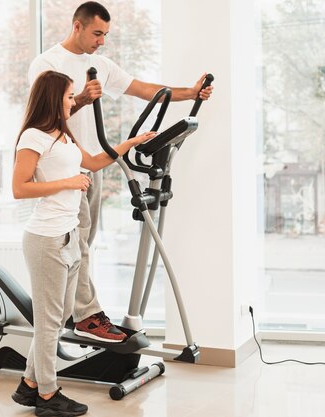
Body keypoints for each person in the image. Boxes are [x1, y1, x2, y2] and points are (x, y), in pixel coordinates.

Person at [28, 1, 214, 343]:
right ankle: (86, 315)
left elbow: (144, 90)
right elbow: (43, 115)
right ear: (78, 27)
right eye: (97, 33)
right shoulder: (48, 63)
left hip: (91, 162)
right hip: (61, 165)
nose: (102, 41)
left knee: (85, 242)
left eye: (106, 35)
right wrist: (82, 98)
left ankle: (69, 312)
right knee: (77, 243)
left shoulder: (99, 64)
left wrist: (191, 92)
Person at [10, 70, 156, 416]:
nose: (71, 101)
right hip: (45, 239)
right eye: (67, 96)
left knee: (58, 320)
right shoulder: (33, 137)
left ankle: (29, 384)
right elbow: (19, 188)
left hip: (69, 236)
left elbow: (92, 162)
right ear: (51, 97)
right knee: (48, 323)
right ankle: (47, 395)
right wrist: (67, 183)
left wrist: (128, 145)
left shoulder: (62, 134)